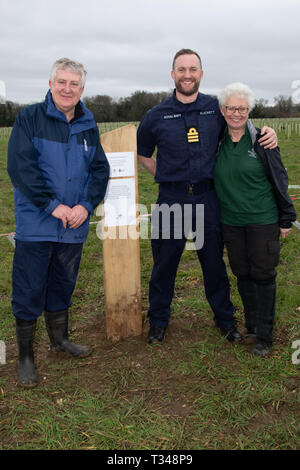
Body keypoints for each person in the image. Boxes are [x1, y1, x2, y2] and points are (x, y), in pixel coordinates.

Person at [137, 48, 278, 345]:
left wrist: (270, 132)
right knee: (164, 265)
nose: (187, 75)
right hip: (171, 199)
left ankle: (225, 320)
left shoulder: (216, 108)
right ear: (172, 74)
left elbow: (243, 126)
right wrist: (167, 177)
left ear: (201, 74)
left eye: (193, 69)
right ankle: (158, 321)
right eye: (181, 69)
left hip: (207, 200)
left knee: (214, 264)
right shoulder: (155, 115)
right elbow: (144, 154)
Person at [7, 58, 110, 388]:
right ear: (51, 84)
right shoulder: (30, 118)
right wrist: (53, 206)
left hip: (73, 224)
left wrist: (85, 204)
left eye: (74, 84)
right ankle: (25, 357)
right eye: (61, 82)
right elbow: (21, 167)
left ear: (82, 89)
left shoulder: (88, 124)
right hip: (37, 221)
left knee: (63, 283)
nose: (68, 88)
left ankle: (59, 340)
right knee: (29, 287)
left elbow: (100, 171)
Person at [214, 82, 296, 356]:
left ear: (249, 111)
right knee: (242, 272)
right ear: (223, 110)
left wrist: (286, 218)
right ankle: (250, 324)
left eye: (242, 108)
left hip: (262, 219)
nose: (236, 113)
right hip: (231, 221)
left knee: (263, 274)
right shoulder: (217, 140)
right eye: (231, 108)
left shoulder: (263, 139)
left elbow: (279, 177)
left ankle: (265, 334)